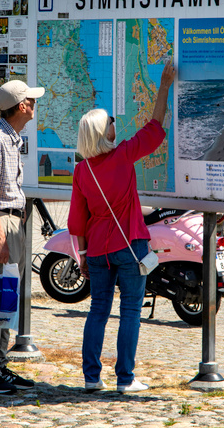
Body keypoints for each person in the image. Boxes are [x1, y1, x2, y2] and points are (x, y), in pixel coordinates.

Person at [68, 62, 176, 394]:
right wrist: (164, 85)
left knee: (98, 310)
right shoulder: (124, 155)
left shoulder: (82, 170)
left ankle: (91, 377)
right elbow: (155, 127)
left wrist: (82, 255)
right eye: (111, 121)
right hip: (129, 244)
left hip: (97, 250)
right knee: (130, 310)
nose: (115, 122)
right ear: (105, 133)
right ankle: (125, 379)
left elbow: (77, 220)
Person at [0, 79, 45, 395]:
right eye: (31, 100)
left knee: (6, 297)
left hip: (10, 221)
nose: (35, 104)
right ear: (22, 106)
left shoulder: (10, 137)